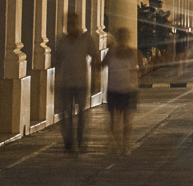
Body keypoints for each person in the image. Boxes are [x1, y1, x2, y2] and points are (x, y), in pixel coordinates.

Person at [52, 12, 99, 152]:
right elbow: (57, 62)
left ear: (77, 23)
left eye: (73, 23)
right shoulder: (62, 41)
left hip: (81, 83)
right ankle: (68, 141)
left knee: (82, 114)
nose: (71, 26)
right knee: (65, 113)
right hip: (66, 83)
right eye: (69, 23)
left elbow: (95, 57)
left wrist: (96, 78)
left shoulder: (86, 39)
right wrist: (55, 81)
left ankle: (81, 139)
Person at [104, 26, 142, 154]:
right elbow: (101, 64)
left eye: (125, 36)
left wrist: (136, 74)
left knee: (127, 118)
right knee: (114, 119)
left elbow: (142, 69)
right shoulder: (111, 51)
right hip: (114, 89)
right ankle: (117, 143)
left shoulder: (134, 52)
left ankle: (125, 144)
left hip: (129, 89)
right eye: (121, 36)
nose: (123, 38)